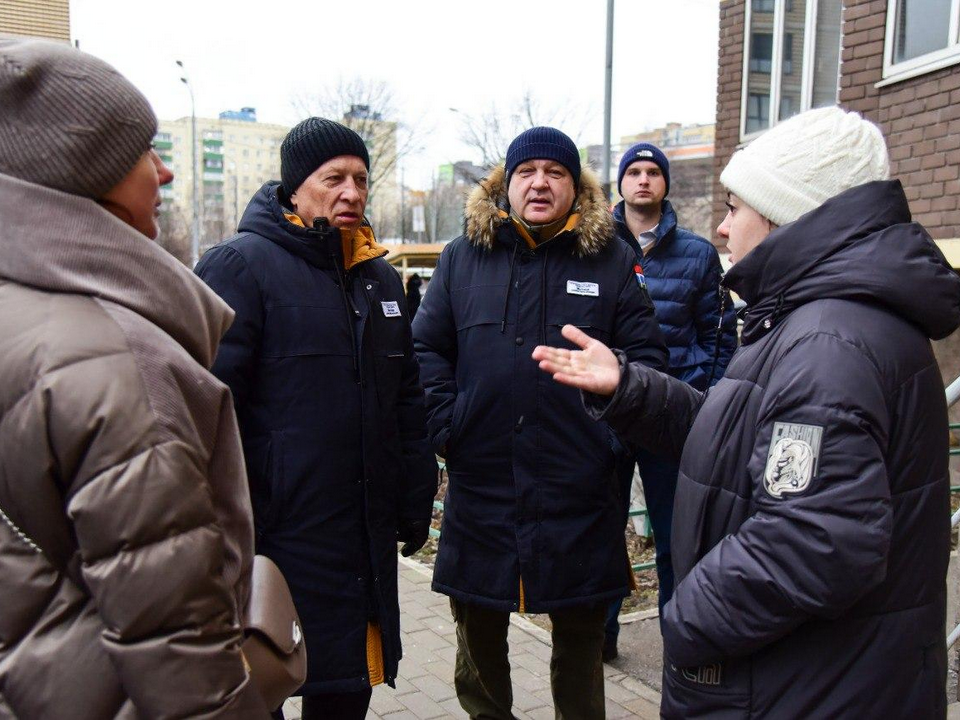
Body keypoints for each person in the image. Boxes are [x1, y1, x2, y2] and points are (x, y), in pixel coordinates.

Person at [533, 106, 959, 717]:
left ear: (786, 212)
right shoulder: (820, 320)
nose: (725, 229)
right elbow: (741, 443)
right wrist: (629, 387)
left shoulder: (827, 343)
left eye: (735, 208)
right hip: (821, 681)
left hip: (805, 690)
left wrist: (685, 619)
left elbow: (813, 540)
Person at [0, 36, 266, 717]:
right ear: (84, 173)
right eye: (142, 152)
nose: (164, 173)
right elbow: (178, 644)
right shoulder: (121, 359)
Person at [413, 126, 667, 718]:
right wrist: (449, 425)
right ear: (507, 184)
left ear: (575, 189)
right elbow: (426, 350)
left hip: (578, 487)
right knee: (477, 638)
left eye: (555, 173)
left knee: (581, 642)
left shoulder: (610, 261)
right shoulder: (461, 258)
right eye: (527, 172)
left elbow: (647, 362)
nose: (540, 183)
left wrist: (609, 441)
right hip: (484, 485)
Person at [195, 117, 437, 719]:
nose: (351, 192)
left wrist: (414, 496)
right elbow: (201, 408)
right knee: (261, 684)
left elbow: (406, 401)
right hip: (272, 538)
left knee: (346, 688)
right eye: (334, 178)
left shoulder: (378, 277)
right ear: (295, 187)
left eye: (360, 178)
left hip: (358, 541)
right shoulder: (240, 267)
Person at [603, 143, 738, 660]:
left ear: (664, 184)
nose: (642, 180)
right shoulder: (594, 245)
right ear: (620, 183)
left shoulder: (698, 254)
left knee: (675, 535)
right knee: (603, 531)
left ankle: (679, 644)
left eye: (652, 172)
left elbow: (720, 335)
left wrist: (700, 393)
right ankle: (603, 639)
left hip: (670, 414)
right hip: (611, 412)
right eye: (633, 172)